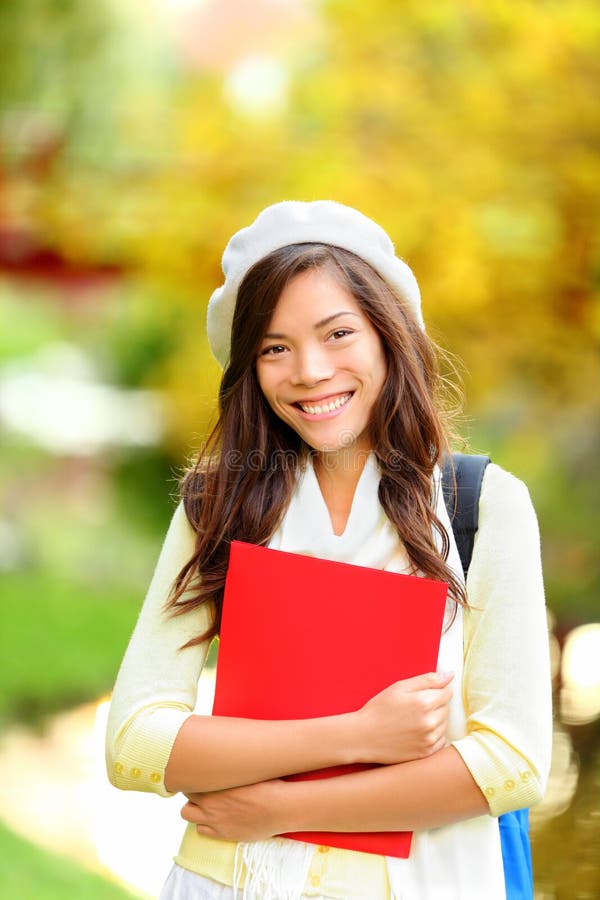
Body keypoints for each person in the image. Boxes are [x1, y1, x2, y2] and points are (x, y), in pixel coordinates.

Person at [105, 200, 552, 900]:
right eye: (274, 348)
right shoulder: (218, 505)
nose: (310, 371)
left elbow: (512, 762)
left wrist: (282, 809)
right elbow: (134, 743)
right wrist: (358, 735)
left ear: (388, 336)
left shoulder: (480, 506)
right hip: (226, 883)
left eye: (338, 333)